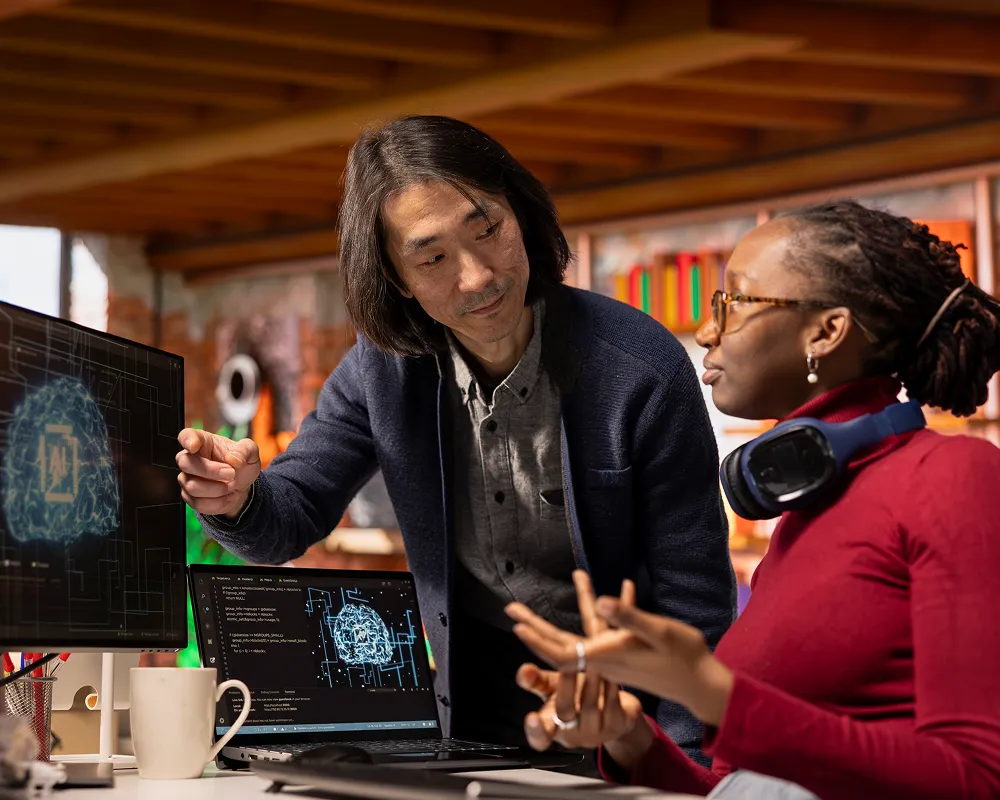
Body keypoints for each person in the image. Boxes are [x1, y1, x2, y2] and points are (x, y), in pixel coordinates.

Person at [175, 115, 736, 755]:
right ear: (397, 279)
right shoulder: (381, 371)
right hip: (478, 712)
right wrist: (238, 497)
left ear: (519, 214)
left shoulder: (641, 367)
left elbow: (696, 599)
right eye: (433, 257)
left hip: (629, 710)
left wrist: (683, 768)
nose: (477, 277)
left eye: (488, 229)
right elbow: (290, 514)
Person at [506, 200, 1000, 799]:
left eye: (733, 302)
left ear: (826, 331)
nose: (709, 331)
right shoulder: (804, 513)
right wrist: (632, 737)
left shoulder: (954, 475)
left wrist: (712, 692)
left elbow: (975, 778)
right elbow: (741, 786)